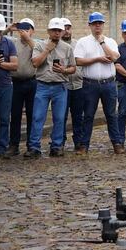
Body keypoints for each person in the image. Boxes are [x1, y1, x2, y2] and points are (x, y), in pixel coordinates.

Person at [74, 12, 123, 155]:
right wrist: (97, 59)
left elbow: (114, 57)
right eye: (95, 23)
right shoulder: (83, 42)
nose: (97, 26)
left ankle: (117, 143)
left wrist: (102, 43)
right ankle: (84, 145)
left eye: (100, 23)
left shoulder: (111, 41)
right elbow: (78, 61)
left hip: (108, 83)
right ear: (89, 25)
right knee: (88, 115)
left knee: (111, 115)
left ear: (103, 25)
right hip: (90, 84)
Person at [26, 18, 76, 158]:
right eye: (54, 30)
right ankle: (34, 146)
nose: (56, 33)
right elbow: (35, 63)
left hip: (60, 86)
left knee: (59, 118)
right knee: (38, 117)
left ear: (62, 32)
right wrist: (47, 50)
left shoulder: (67, 48)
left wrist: (64, 70)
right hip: (42, 85)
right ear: (48, 31)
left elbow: (73, 68)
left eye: (59, 30)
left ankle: (57, 146)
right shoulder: (40, 45)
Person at [7, 18, 37, 156]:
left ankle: (31, 145)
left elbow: (39, 51)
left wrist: (28, 38)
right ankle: (14, 144)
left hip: (32, 82)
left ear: (32, 30)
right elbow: (0, 38)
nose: (24, 32)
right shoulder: (13, 43)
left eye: (27, 29)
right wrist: (9, 29)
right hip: (16, 82)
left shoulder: (37, 43)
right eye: (22, 29)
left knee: (32, 115)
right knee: (16, 114)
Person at [61, 18, 84, 152]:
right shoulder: (55, 45)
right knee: (61, 116)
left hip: (78, 85)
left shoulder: (78, 44)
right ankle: (60, 141)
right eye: (63, 28)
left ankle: (79, 141)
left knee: (78, 116)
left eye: (68, 27)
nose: (66, 31)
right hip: (62, 85)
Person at [0, 14, 19, 159]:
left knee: (4, 118)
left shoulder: (9, 43)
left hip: (5, 85)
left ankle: (1, 147)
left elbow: (15, 65)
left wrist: (0, 64)